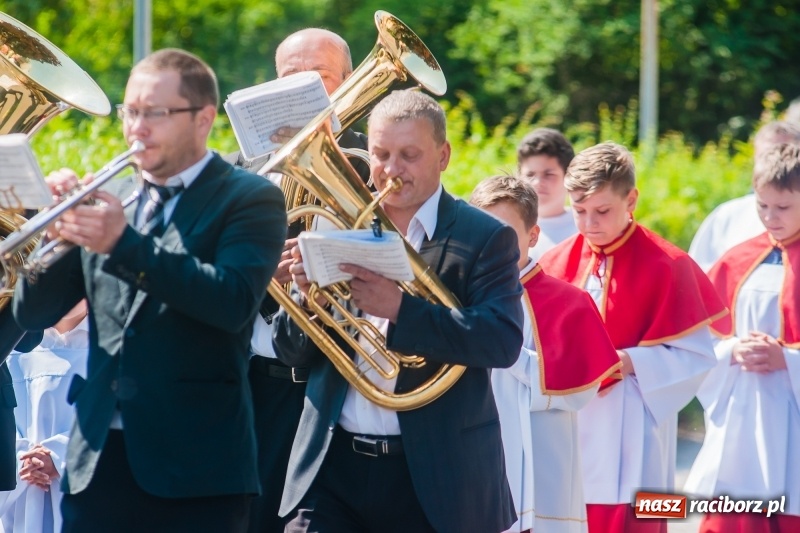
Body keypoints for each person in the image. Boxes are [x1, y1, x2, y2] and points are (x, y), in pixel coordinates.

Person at [12, 48, 287, 532]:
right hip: (96, 465)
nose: (137, 128)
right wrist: (55, 238)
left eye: (155, 114)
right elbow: (32, 315)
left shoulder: (249, 197)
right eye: (130, 112)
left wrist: (123, 243)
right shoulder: (117, 198)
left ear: (203, 119)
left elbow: (231, 301)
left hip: (196, 471)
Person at [273, 89, 524, 533]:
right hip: (333, 468)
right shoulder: (334, 224)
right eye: (381, 154)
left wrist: (401, 310)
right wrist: (307, 300)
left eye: (409, 155)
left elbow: (501, 341)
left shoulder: (484, 237)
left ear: (443, 156)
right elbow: (290, 352)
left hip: (435, 477)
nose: (391, 170)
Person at [538, 142, 726, 533]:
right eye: (579, 211)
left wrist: (632, 362)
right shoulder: (553, 263)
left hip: (632, 424)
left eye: (602, 211)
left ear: (631, 200)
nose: (589, 223)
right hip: (567, 424)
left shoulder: (668, 264)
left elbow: (697, 356)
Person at [240, 27, 371, 533]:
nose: (300, 88)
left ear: (349, 81)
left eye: (319, 75)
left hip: (331, 387)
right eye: (289, 76)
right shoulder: (248, 165)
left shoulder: (370, 160)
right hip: (256, 382)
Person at [469, 175, 620, 533]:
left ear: (533, 236)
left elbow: (581, 390)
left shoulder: (569, 302)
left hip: (543, 458)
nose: (490, 244)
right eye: (482, 231)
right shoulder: (452, 297)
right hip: (472, 456)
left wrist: (512, 356)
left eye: (503, 233)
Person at [684, 143, 800, 533]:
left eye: (782, 207)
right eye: (762, 205)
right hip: (742, 417)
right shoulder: (737, 260)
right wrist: (732, 348)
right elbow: (699, 341)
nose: (769, 217)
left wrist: (788, 359)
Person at [0, 301, 88, 533]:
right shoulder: (13, 343)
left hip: (81, 491)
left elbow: (121, 418)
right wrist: (22, 459)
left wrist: (61, 455)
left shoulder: (112, 346)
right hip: (19, 494)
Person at [688, 121, 800, 271]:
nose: (775, 164)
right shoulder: (727, 217)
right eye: (766, 156)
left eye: (785, 155)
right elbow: (702, 274)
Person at [516, 128, 577, 262]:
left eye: (549, 174)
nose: (537, 182)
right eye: (530, 174)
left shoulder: (585, 228)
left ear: (568, 176)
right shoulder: (509, 228)